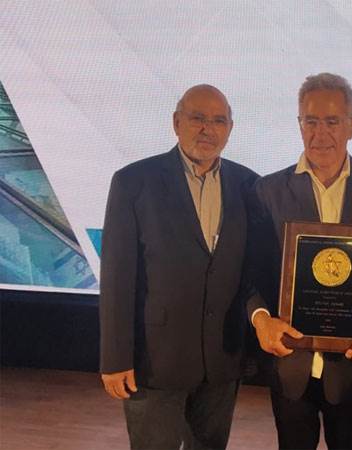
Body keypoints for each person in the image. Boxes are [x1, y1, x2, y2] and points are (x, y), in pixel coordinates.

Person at [99, 84, 258, 450]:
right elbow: (117, 279)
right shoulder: (133, 182)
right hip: (154, 362)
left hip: (221, 361)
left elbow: (248, 270)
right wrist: (114, 358)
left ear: (230, 129)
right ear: (176, 122)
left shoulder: (247, 184)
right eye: (197, 118)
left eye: (218, 121)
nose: (208, 129)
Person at [247, 73, 352, 450]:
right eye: (310, 121)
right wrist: (260, 318)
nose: (320, 133)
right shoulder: (267, 192)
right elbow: (250, 272)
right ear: (299, 124)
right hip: (290, 363)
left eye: (332, 121)